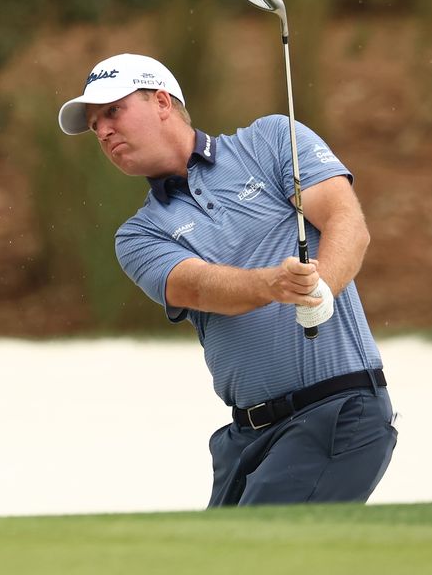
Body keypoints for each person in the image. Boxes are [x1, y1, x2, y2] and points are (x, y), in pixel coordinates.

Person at [58, 53, 397, 506]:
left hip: (336, 411)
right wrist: (273, 284)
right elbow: (196, 287)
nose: (102, 130)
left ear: (161, 101)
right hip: (247, 438)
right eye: (95, 124)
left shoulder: (272, 140)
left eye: (112, 112)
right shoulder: (139, 234)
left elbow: (345, 221)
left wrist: (323, 287)